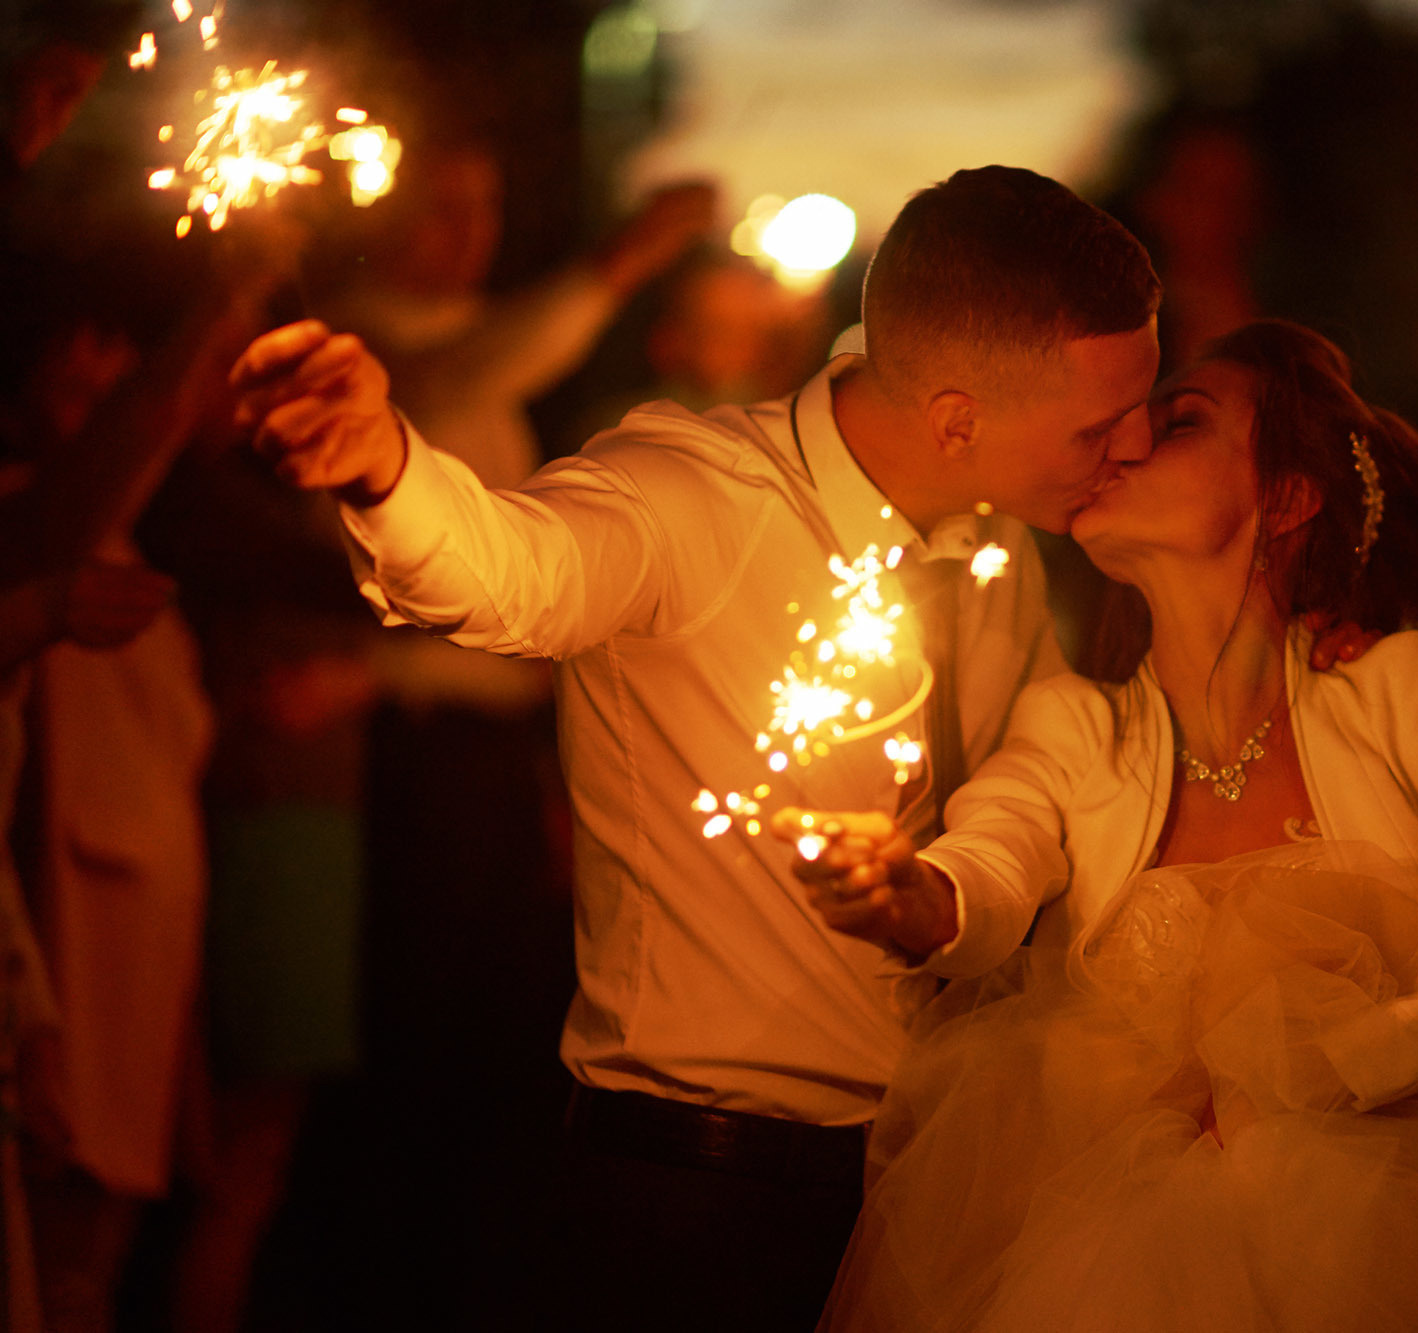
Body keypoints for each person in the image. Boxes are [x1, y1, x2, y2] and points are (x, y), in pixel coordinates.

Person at [229, 165, 1163, 1330]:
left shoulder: (994, 549)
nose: (1132, 447)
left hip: (924, 1189)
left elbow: (1033, 777)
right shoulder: (690, 493)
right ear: (957, 416)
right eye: (1099, 421)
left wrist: (947, 896)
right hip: (689, 1202)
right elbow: (514, 568)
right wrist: (384, 464)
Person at [780, 319, 1418, 1331]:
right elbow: (992, 861)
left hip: (1411, 1230)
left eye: (1176, 422)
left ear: (1286, 495)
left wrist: (1359, 1057)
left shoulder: (1393, 687)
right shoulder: (1072, 724)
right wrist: (918, 892)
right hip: (1109, 1248)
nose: (1123, 440)